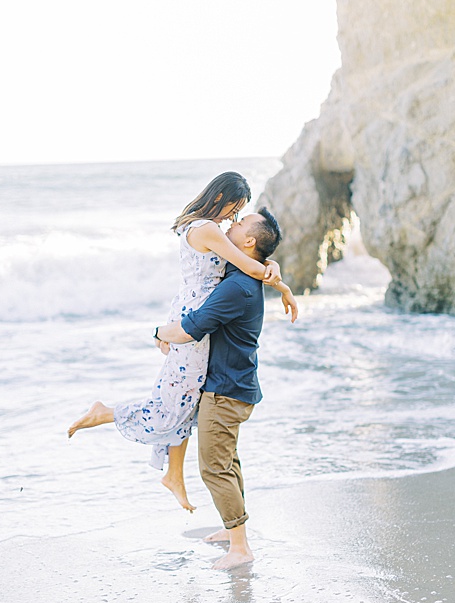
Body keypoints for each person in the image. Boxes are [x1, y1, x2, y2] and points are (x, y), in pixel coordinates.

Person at [67, 172, 297, 513]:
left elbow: (251, 261)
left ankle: (174, 473)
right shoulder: (207, 229)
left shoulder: (200, 226)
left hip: (192, 311)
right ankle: (108, 413)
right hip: (194, 324)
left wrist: (272, 265)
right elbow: (248, 263)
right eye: (236, 209)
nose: (235, 218)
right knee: (172, 405)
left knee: (186, 400)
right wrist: (282, 286)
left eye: (241, 215)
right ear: (222, 198)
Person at [155, 208, 282, 569]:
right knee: (227, 461)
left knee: (213, 467)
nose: (230, 224)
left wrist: (158, 332)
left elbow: (192, 327)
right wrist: (277, 275)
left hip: (225, 391)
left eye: (239, 223)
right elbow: (259, 268)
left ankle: (240, 547)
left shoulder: (236, 287)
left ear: (249, 242)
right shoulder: (241, 274)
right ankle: (233, 531)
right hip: (236, 385)